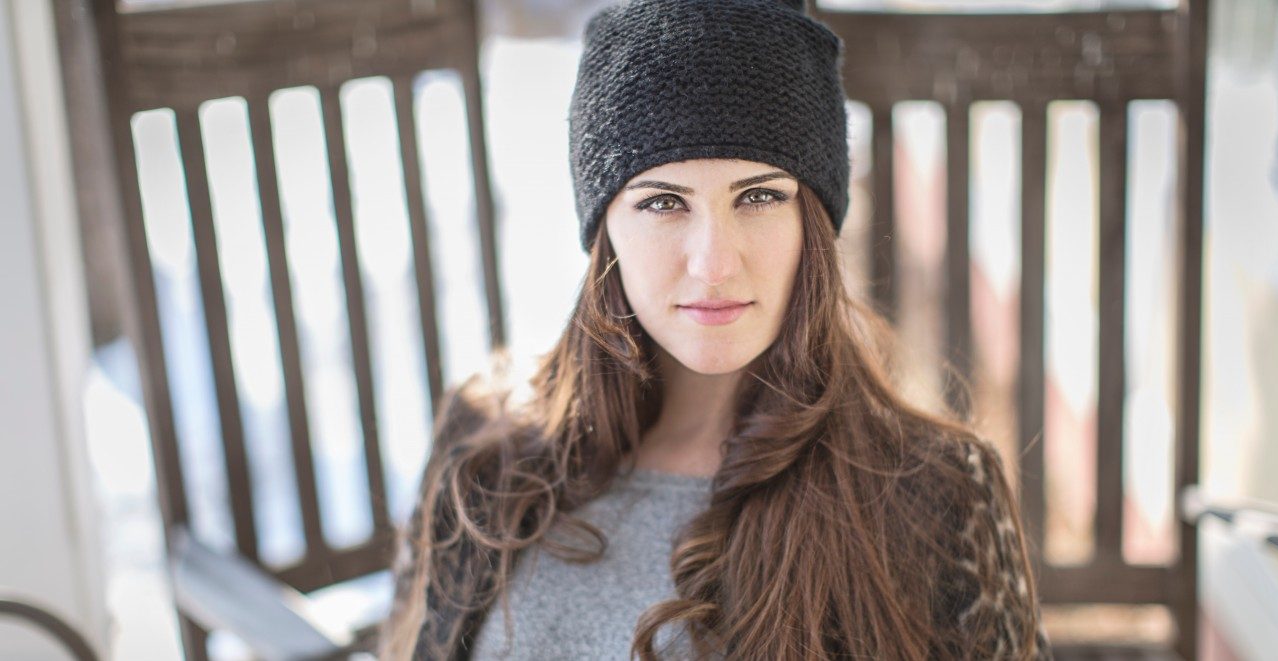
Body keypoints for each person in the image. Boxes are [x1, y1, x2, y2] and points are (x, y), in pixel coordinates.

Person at [379, 0, 1052, 658]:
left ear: (812, 223)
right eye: (664, 202)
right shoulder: (485, 442)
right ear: (604, 228)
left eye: (758, 197)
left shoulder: (933, 493)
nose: (715, 263)